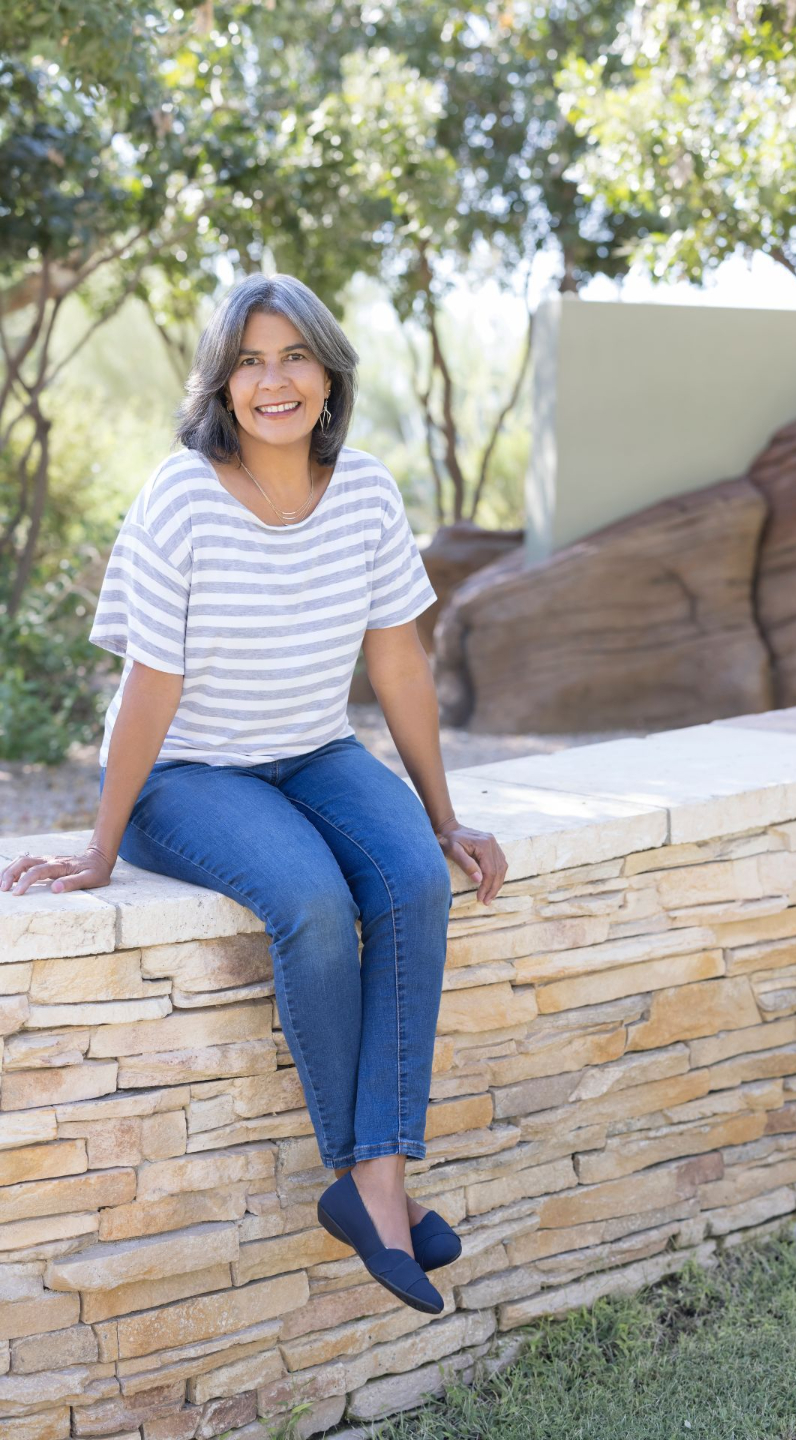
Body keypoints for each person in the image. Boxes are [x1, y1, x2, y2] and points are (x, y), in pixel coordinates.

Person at [0, 272, 508, 1314]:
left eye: (294, 357)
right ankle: (377, 1188)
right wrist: (99, 847)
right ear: (222, 385)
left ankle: (373, 1182)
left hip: (314, 751)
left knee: (415, 879)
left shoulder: (365, 490)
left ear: (329, 374)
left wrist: (444, 815)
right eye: (249, 362)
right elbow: (150, 684)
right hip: (183, 773)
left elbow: (399, 663)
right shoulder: (181, 495)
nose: (274, 382)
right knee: (312, 900)